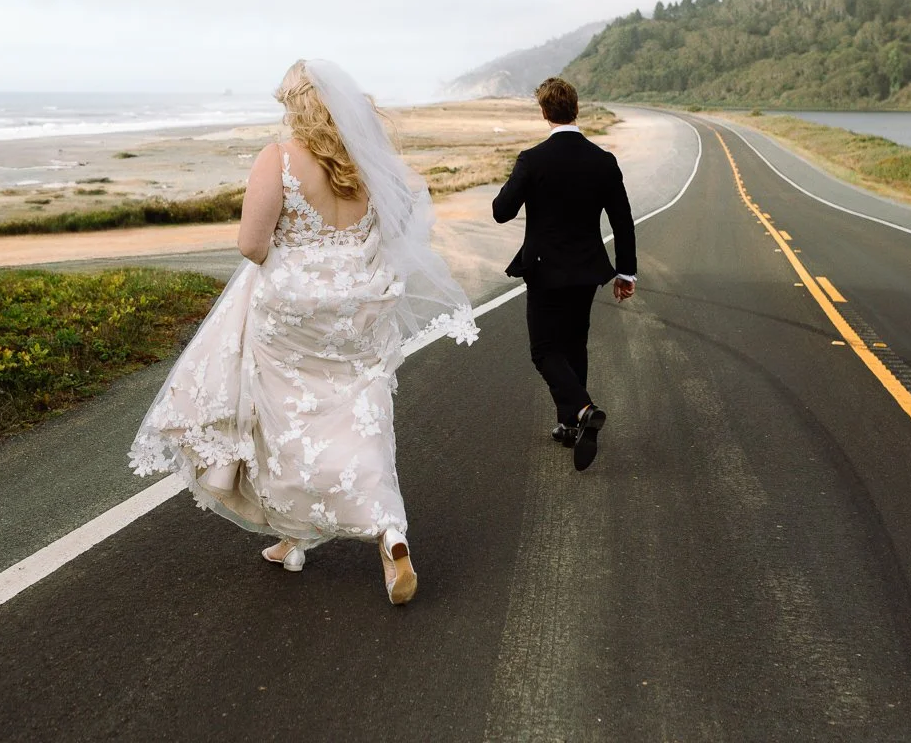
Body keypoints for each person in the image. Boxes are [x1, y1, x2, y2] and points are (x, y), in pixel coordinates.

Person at [129, 60, 477, 605]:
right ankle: (384, 535)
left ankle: (295, 529)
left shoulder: (280, 157)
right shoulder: (366, 163)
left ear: (298, 106)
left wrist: (296, 262)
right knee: (360, 416)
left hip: (292, 315)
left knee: (286, 423)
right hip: (357, 310)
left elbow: (251, 243)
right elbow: (400, 221)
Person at [492, 77, 635, 471]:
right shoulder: (603, 161)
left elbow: (501, 210)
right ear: (577, 109)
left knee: (544, 350)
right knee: (574, 344)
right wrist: (627, 273)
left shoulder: (532, 159)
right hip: (588, 270)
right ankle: (569, 424)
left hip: (543, 270)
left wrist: (520, 179)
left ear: (544, 112)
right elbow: (623, 222)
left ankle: (583, 410)